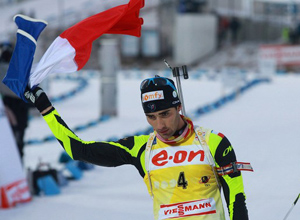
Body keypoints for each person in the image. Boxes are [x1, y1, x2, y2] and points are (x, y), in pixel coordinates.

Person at [24, 75, 250, 220]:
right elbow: (79, 150)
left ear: (178, 107)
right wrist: (46, 109)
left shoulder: (213, 142)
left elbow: (236, 198)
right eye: (151, 117)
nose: (159, 124)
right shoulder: (141, 148)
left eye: (165, 114)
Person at [0, 42, 29, 164]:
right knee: (16, 144)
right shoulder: (21, 66)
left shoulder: (20, 66)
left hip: (12, 107)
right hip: (14, 108)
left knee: (14, 144)